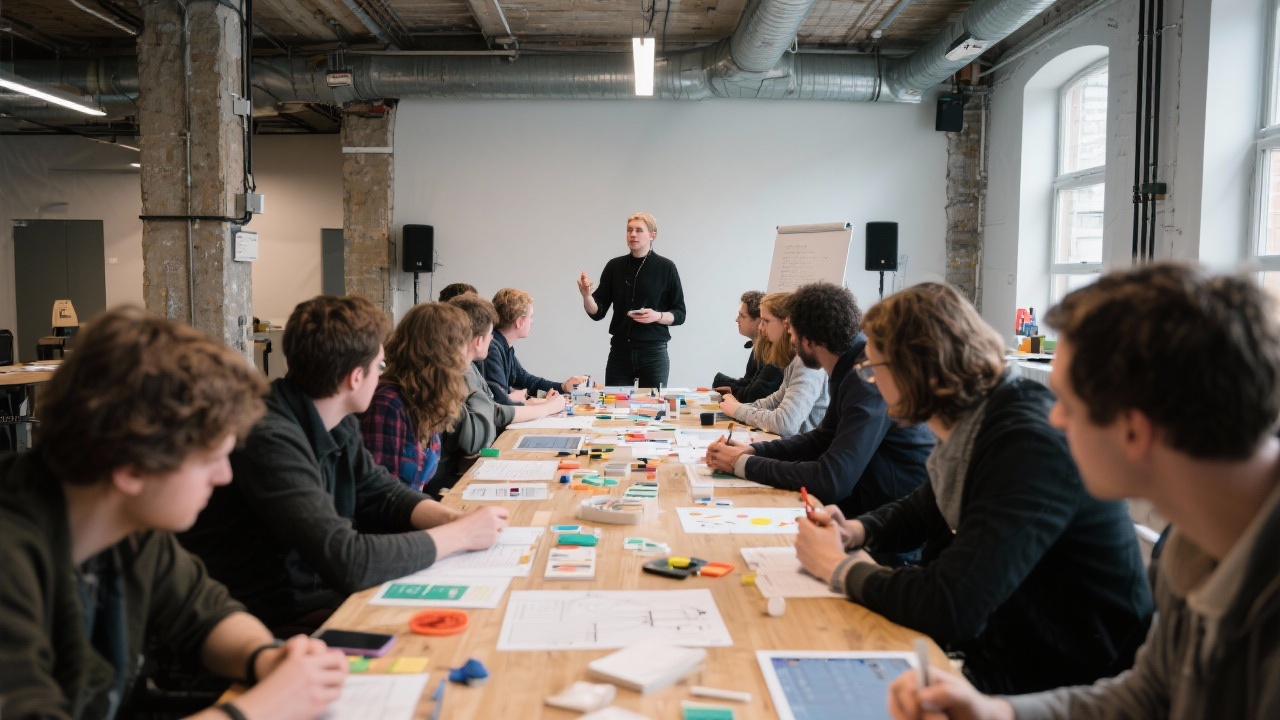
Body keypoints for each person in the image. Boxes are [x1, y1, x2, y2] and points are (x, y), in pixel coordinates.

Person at [886, 263, 1280, 720]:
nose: (1054, 419)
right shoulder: (1197, 539)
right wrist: (997, 714)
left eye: (1067, 404)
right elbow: (1149, 696)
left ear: (1133, 431)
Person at [795, 282, 1153, 694]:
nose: (871, 381)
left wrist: (838, 568)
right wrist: (856, 530)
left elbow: (951, 604)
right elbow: (923, 507)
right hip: (1012, 652)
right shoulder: (980, 419)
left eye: (874, 368)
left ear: (915, 367)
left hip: (1071, 678)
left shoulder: (1026, 444)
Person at [0, 307, 348, 720]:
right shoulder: (10, 559)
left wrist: (266, 658)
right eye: (210, 459)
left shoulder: (128, 526)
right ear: (130, 467)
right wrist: (264, 708)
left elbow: (204, 612)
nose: (224, 476)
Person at [180, 295, 510, 634]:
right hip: (271, 622)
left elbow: (381, 491)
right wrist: (459, 535)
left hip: (319, 602)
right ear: (355, 377)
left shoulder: (337, 417)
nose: (383, 375)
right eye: (379, 366)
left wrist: (453, 518)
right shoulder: (269, 437)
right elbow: (348, 560)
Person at [705, 282, 933, 520]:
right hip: (866, 510)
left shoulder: (867, 377)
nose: (790, 339)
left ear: (808, 340)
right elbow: (823, 438)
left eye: (792, 332)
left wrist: (743, 464)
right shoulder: (849, 365)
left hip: (887, 526)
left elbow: (831, 480)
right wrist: (754, 451)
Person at [437, 293, 568, 492]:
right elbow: (495, 412)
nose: (493, 338)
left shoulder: (470, 367)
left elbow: (495, 405)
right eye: (490, 333)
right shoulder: (461, 371)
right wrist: (547, 407)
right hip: (447, 477)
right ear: (478, 340)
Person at [360, 302, 471, 492]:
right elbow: (382, 497)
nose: (466, 353)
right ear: (444, 353)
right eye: (463, 344)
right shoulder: (388, 404)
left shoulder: (427, 398)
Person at [577, 212, 686, 387]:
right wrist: (586, 295)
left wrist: (657, 316)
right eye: (629, 230)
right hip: (621, 351)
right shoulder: (615, 266)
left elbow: (680, 314)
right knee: (615, 408)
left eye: (639, 230)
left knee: (651, 407)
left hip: (653, 352)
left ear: (652, 235)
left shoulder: (666, 267)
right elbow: (597, 312)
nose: (632, 234)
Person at [719, 291, 829, 437]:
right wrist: (737, 408)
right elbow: (774, 402)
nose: (760, 327)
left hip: (803, 453)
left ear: (786, 323)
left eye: (766, 321)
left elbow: (785, 423)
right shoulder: (796, 360)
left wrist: (738, 410)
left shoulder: (807, 365)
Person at [484, 287, 588, 406]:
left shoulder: (505, 347)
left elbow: (526, 381)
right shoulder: (493, 349)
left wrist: (563, 387)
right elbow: (501, 401)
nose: (532, 322)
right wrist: (537, 402)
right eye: (531, 317)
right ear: (519, 322)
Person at [712, 290, 784, 402]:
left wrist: (731, 390)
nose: (737, 319)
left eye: (742, 316)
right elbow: (750, 383)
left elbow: (755, 393)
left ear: (758, 319)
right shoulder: (760, 348)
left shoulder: (777, 353)